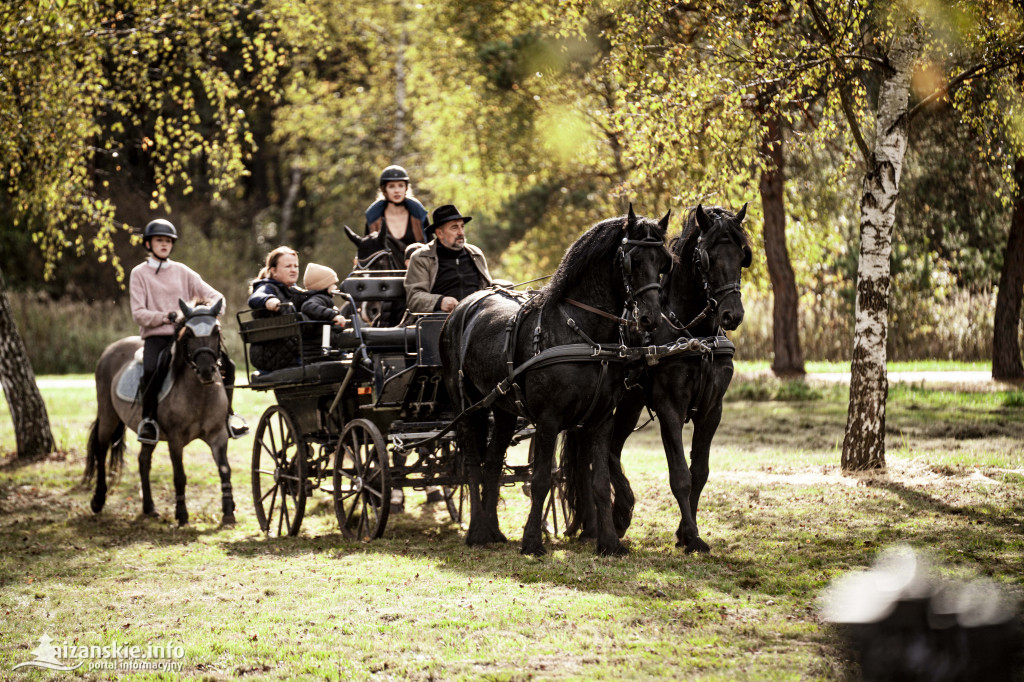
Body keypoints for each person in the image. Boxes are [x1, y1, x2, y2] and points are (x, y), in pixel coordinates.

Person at [129, 218, 248, 444]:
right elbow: (138, 313)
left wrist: (206, 312)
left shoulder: (182, 270)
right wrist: (166, 316)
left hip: (188, 337)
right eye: (159, 241)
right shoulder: (139, 273)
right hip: (157, 337)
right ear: (148, 244)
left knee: (229, 366)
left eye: (168, 241)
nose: (164, 245)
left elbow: (217, 297)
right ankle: (149, 421)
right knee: (153, 367)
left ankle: (228, 417)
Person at [405, 204, 492, 314]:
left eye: (462, 226)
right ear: (439, 233)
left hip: (477, 315)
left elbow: (487, 287)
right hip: (439, 319)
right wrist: (439, 302)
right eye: (454, 227)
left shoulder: (475, 253)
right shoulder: (421, 257)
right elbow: (414, 298)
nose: (461, 232)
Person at [247, 246, 311, 371]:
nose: (293, 270)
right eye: (288, 266)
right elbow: (255, 298)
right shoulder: (267, 287)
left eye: (296, 266)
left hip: (291, 352)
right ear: (273, 271)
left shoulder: (294, 291)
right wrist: (268, 300)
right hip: (271, 355)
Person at [363, 165, 429, 264]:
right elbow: (367, 250)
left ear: (406, 188)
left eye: (401, 185)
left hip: (418, 269)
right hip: (385, 273)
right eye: (391, 186)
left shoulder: (419, 215)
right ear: (384, 190)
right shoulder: (373, 218)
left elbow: (431, 246)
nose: (397, 190)